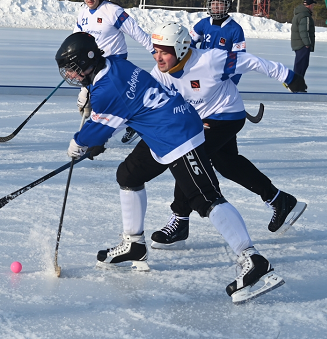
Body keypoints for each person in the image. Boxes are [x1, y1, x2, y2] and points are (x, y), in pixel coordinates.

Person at [55, 32, 283, 303]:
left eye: (73, 68)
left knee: (205, 199)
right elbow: (120, 107)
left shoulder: (107, 90)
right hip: (159, 128)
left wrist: (79, 143)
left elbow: (97, 129)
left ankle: (253, 261)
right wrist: (91, 99)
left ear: (89, 61)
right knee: (129, 174)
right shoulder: (115, 63)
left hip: (177, 135)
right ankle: (134, 245)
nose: (70, 74)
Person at [147, 22, 308, 249]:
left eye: (164, 52)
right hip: (200, 119)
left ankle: (180, 219)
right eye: (155, 51)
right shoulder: (159, 73)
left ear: (181, 48)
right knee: (227, 163)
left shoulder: (211, 60)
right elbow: (153, 103)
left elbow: (251, 61)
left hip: (227, 115)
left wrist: (289, 76)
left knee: (188, 156)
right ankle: (280, 200)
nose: (158, 57)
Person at [73, 0, 155, 142]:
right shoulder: (83, 14)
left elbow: (135, 31)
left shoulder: (112, 10)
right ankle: (96, 135)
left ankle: (95, 138)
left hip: (115, 64)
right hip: (94, 66)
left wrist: (154, 50)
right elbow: (76, 40)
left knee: (109, 102)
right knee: (91, 103)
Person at [190, 0, 246, 84]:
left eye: (219, 3)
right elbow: (188, 43)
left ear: (228, 5)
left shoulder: (235, 29)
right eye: (213, 3)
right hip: (200, 72)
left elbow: (239, 58)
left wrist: (231, 82)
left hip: (221, 76)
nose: (215, 6)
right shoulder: (203, 23)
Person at [291, 0, 316, 85]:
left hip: (298, 43)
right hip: (302, 45)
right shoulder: (305, 16)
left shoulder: (299, 14)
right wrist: (307, 43)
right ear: (310, 5)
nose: (313, 7)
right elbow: (304, 31)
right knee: (301, 65)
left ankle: (297, 83)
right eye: (313, 5)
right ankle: (296, 84)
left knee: (300, 64)